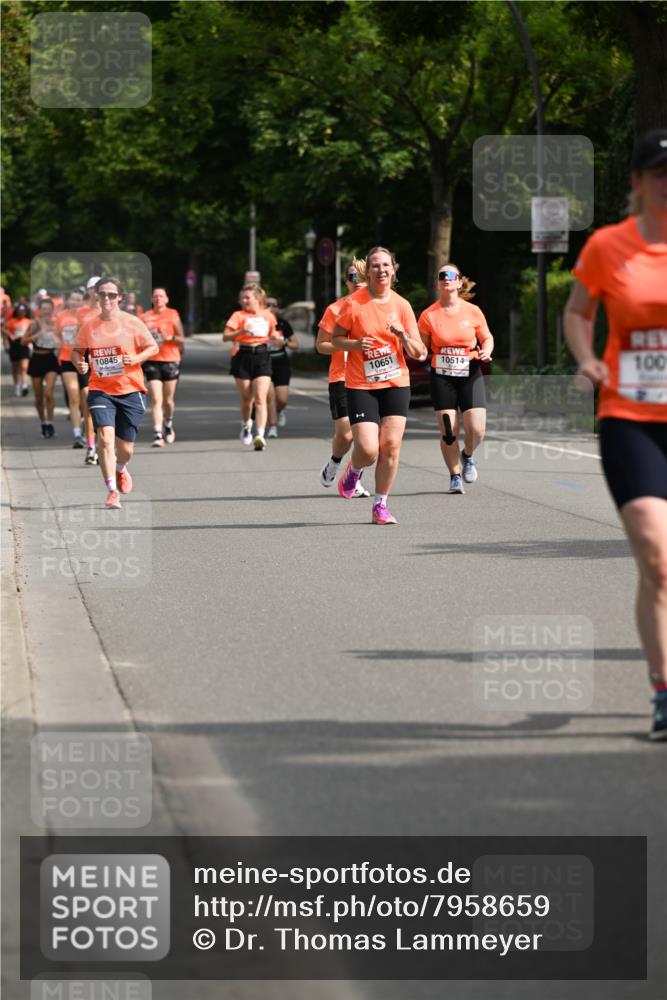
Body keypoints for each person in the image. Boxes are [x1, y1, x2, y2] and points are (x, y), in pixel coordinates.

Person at [564, 128, 667, 741]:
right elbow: (578, 312)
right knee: (657, 557)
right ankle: (663, 690)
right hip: (630, 417)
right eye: (659, 173)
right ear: (637, 182)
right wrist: (587, 357)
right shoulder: (609, 247)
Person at [330, 246, 427, 524]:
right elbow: (335, 340)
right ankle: (354, 470)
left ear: (393, 269)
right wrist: (356, 344)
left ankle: (380, 506)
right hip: (361, 384)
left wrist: (403, 334)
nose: (381, 270)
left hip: (396, 382)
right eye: (375, 266)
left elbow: (419, 352)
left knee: (392, 445)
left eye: (386, 265)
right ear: (368, 271)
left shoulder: (402, 305)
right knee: (369, 449)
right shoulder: (353, 304)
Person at [72, 277, 158, 509]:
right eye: (102, 294)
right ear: (96, 297)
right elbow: (77, 352)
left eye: (111, 295)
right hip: (100, 389)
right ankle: (111, 491)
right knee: (105, 439)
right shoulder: (89, 326)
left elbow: (153, 347)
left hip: (131, 389)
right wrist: (80, 363)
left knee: (126, 449)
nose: (107, 299)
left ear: (120, 297)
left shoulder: (132, 322)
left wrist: (137, 358)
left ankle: (121, 468)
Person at [417, 264, 494, 494]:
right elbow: (421, 349)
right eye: (442, 276)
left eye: (451, 275)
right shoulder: (428, 315)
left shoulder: (473, 311)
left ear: (459, 282)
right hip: (442, 375)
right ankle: (454, 475)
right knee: (449, 431)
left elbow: (487, 337)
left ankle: (468, 455)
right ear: (437, 284)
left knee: (477, 429)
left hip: (470, 372)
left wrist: (487, 350)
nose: (446, 279)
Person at [316, 265, 370, 498]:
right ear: (345, 281)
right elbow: (321, 345)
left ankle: (354, 478)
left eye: (361, 277)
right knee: (346, 434)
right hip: (342, 377)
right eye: (352, 277)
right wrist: (348, 344)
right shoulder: (335, 309)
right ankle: (335, 462)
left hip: (370, 378)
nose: (356, 281)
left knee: (365, 436)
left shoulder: (375, 307)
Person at [223, 282, 279, 450]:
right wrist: (241, 331)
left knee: (261, 398)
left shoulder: (267, 316)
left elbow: (273, 334)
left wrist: (278, 338)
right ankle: (246, 425)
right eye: (243, 298)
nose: (244, 300)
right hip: (243, 356)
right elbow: (225, 336)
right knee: (247, 399)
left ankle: (260, 434)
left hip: (262, 356)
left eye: (248, 297)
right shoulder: (238, 316)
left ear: (257, 299)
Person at [141, 287, 185, 447]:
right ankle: (158, 433)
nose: (158, 299)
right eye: (155, 296)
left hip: (171, 360)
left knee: (168, 400)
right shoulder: (145, 317)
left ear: (166, 299)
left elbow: (182, 339)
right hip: (152, 360)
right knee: (156, 398)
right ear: (152, 299)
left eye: (161, 296)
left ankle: (169, 423)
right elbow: (139, 340)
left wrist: (170, 337)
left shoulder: (173, 315)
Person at [21, 297, 60, 437]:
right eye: (44, 309)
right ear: (40, 310)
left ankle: (50, 422)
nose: (46, 311)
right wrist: (39, 333)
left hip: (50, 359)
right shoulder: (34, 323)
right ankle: (43, 422)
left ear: (52, 310)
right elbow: (23, 341)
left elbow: (63, 342)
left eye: (49, 309)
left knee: (48, 393)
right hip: (36, 359)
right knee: (38, 397)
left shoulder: (56, 324)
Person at [56, 288, 86, 448]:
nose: (75, 302)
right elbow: (56, 335)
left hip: (83, 359)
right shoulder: (61, 316)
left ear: (82, 302)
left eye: (78, 300)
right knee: (73, 395)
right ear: (68, 300)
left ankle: (83, 423)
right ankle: (76, 434)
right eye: (72, 299)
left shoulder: (86, 317)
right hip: (66, 359)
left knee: (85, 398)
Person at [265, 297, 298, 437]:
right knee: (270, 395)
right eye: (268, 305)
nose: (271, 307)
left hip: (281, 363)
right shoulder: (259, 323)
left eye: (274, 305)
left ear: (278, 309)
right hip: (264, 363)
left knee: (282, 399)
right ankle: (272, 427)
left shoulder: (283, 324)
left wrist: (283, 343)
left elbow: (295, 345)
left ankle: (279, 411)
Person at [3, 302, 31, 397]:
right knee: (15, 368)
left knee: (24, 367)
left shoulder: (28, 321)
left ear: (25, 313)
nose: (21, 313)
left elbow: (32, 331)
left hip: (24, 345)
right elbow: (3, 329)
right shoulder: (11, 321)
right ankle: (17, 385)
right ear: (17, 312)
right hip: (14, 345)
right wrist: (10, 336)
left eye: (23, 312)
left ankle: (24, 385)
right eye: (19, 312)